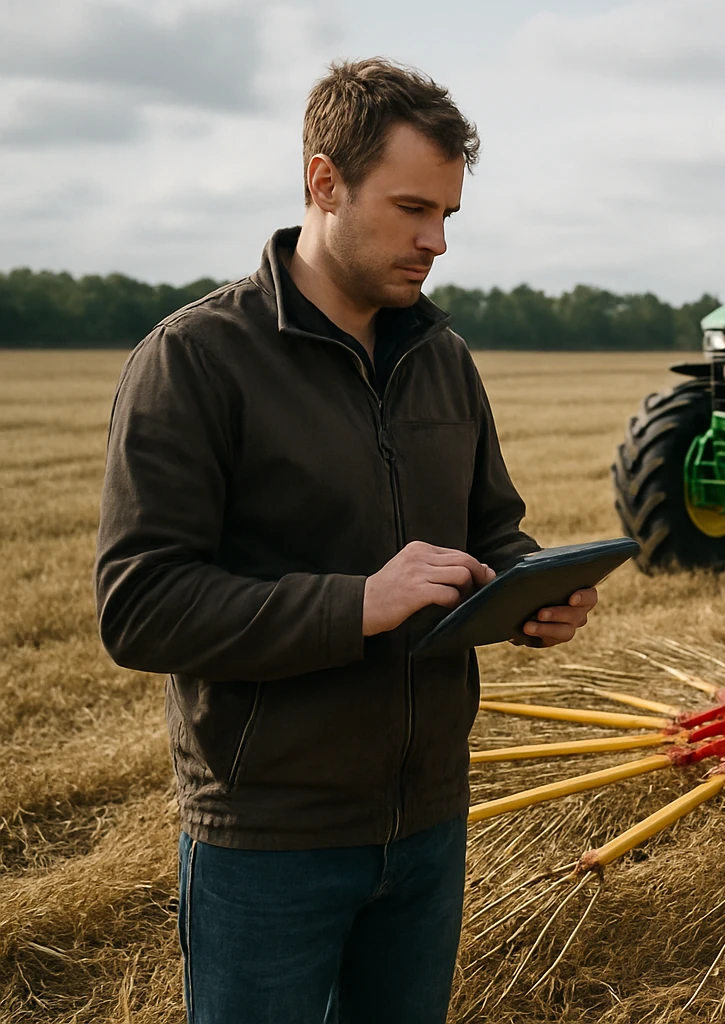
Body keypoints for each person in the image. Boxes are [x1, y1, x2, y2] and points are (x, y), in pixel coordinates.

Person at [93, 58, 593, 1023]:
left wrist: (533, 590)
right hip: (269, 838)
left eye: (448, 214)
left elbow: (493, 527)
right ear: (325, 182)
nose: (436, 241)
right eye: (413, 208)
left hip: (431, 822)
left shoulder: (443, 358)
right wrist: (357, 603)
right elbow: (140, 605)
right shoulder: (195, 360)